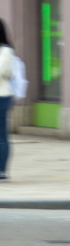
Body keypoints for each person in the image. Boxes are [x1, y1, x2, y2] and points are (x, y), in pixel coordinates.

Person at [0, 18, 12, 180]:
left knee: (1, 135)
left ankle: (1, 170)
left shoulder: (6, 51)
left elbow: (5, 71)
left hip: (1, 96)